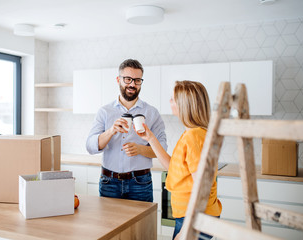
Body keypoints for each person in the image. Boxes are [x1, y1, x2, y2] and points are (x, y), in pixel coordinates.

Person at [136, 80, 222, 240]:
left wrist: (187, 229)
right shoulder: (194, 133)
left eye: (173, 99)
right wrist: (150, 137)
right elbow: (172, 167)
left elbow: (202, 185)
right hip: (195, 217)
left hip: (195, 220)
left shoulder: (193, 137)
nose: (170, 101)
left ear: (184, 104)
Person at [86, 59, 167, 202]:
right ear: (118, 80)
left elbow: (162, 150)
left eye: (137, 80)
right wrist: (110, 131)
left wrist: (141, 150)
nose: (132, 84)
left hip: (140, 183)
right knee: (109, 224)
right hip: (109, 182)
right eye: (128, 79)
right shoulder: (105, 112)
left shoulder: (152, 113)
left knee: (142, 224)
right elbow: (90, 147)